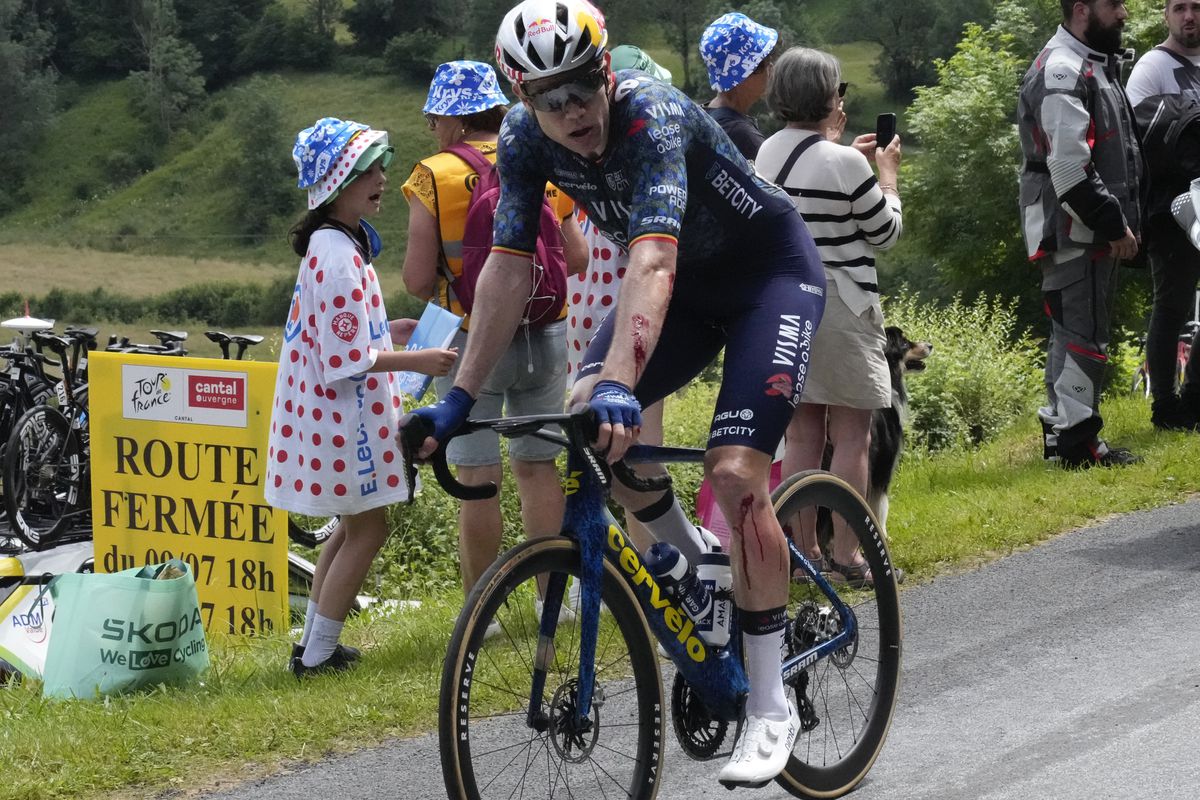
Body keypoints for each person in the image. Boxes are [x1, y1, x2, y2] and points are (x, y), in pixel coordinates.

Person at [403, 0, 826, 786]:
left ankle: (771, 705)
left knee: (734, 474)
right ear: (522, 100)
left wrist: (624, 382)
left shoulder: (651, 120)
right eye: (546, 95)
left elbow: (652, 263)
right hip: (685, 293)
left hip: (768, 277)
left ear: (606, 73)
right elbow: (507, 269)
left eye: (580, 87)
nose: (569, 110)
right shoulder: (527, 142)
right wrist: (460, 398)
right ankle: (700, 569)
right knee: (580, 418)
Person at [269, 117, 458, 676]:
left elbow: (345, 335)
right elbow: (344, 360)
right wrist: (418, 359)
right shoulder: (336, 257)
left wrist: (388, 331)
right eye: (365, 171)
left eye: (379, 166)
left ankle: (313, 644)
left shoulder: (333, 245)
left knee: (354, 525)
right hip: (346, 420)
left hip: (333, 416)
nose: (379, 178)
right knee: (368, 527)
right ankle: (319, 652)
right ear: (335, 183)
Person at [400, 61, 586, 596]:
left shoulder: (431, 175)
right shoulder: (541, 156)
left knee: (477, 479)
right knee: (538, 465)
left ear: (455, 120)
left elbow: (416, 279)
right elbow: (576, 258)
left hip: (469, 342)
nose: (433, 129)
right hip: (546, 334)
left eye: (435, 118)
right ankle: (556, 598)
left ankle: (482, 608)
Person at [756, 47, 903, 585]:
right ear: (829, 98)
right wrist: (885, 177)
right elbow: (885, 232)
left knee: (801, 436)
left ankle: (803, 558)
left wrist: (839, 151)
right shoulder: (847, 164)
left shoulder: (768, 152)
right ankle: (847, 554)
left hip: (787, 304)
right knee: (852, 435)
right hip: (843, 305)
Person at [1017, 0, 1145, 468]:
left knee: (1073, 329)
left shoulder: (1088, 64)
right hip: (1073, 225)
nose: (1125, 13)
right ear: (1082, 10)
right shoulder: (1063, 69)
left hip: (1074, 222)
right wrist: (1113, 225)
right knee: (1081, 334)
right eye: (1115, 5)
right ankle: (1080, 445)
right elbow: (1069, 167)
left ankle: (1065, 434)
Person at [1126, 0, 1200, 431]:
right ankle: (1166, 408)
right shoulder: (1152, 68)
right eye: (1179, 8)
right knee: (1171, 305)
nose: (1189, 16)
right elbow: (1134, 142)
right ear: (1166, 15)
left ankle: (1195, 396)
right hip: (1170, 208)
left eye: (1196, 7)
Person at [699, 11, 779, 160]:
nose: (771, 67)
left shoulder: (702, 115)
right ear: (740, 76)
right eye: (762, 63)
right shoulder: (743, 137)